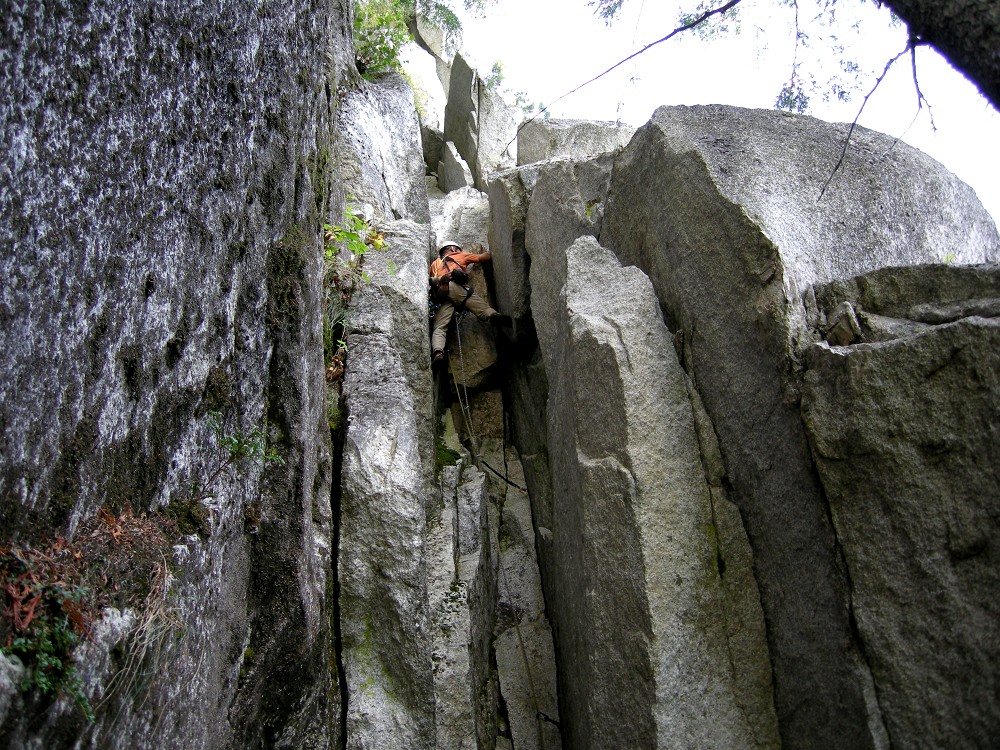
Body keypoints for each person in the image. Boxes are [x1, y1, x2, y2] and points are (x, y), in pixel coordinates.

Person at [429, 240, 510, 368]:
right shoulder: (459, 255)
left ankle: (438, 353)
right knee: (481, 307)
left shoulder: (435, 264)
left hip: (443, 296)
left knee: (439, 327)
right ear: (452, 248)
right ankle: (493, 316)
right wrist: (485, 252)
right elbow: (485, 258)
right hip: (458, 288)